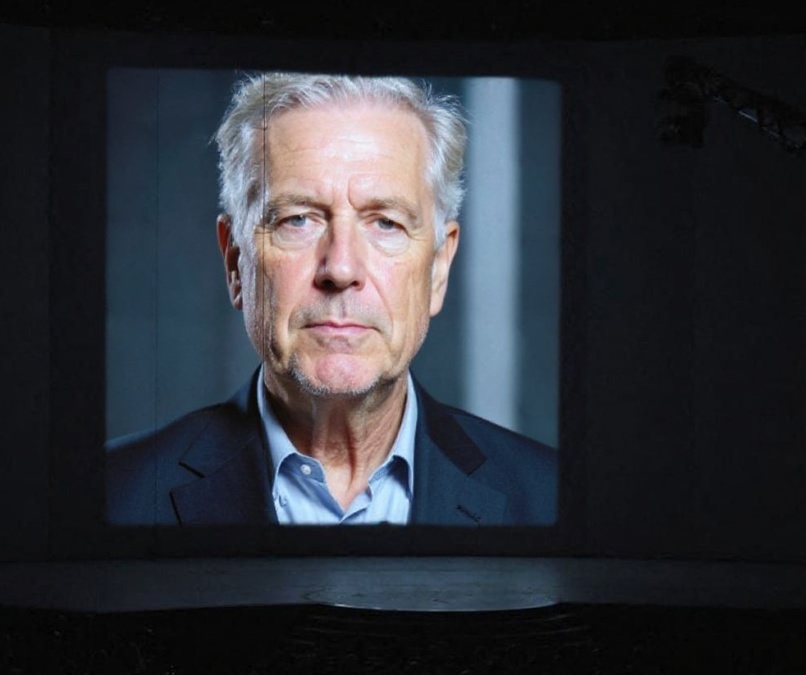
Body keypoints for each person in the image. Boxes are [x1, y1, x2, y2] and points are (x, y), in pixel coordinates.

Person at [107, 73, 557, 526]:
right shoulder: (112, 494)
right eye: (297, 220)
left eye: (386, 223)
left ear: (438, 268)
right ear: (234, 262)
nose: (340, 269)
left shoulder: (550, 497)